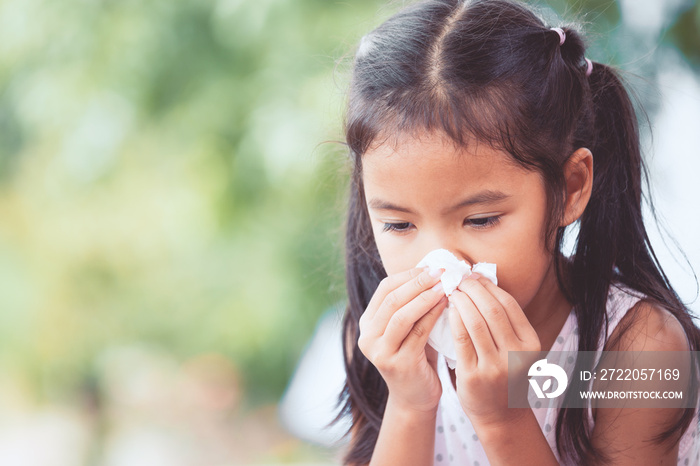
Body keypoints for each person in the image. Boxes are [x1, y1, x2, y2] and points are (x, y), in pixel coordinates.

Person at [334, 0, 700, 464]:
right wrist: (409, 404)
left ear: (570, 188)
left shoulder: (636, 352)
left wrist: (502, 416)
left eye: (481, 219)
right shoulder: (381, 343)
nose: (442, 262)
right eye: (399, 224)